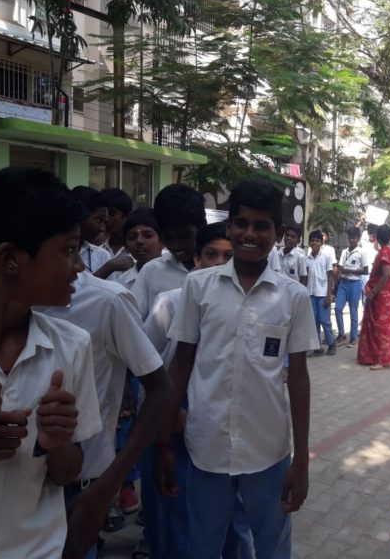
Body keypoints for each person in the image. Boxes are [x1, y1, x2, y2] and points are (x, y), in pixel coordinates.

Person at [155, 179, 317, 559]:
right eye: (241, 223)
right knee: (204, 544)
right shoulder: (199, 286)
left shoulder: (292, 296)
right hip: (206, 446)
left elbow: (299, 379)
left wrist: (302, 461)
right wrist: (163, 443)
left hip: (268, 450)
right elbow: (181, 364)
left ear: (278, 234)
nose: (250, 234)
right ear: (229, 227)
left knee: (273, 544)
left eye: (262, 226)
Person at [0, 167, 102, 558]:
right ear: (11, 260)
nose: (80, 267)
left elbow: (68, 473)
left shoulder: (72, 346)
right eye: (68, 250)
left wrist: (57, 443)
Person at [40, 265, 170, 559]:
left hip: (79, 489)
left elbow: (159, 384)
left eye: (75, 248)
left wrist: (105, 489)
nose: (77, 265)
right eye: (66, 251)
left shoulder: (104, 301)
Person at [140, 222, 247, 559]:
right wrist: (174, 412)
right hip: (173, 421)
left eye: (227, 256)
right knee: (174, 517)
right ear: (196, 261)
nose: (218, 263)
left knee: (231, 520)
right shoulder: (169, 304)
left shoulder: (249, 308)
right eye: (211, 254)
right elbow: (143, 366)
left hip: (226, 426)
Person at [132, 184, 206, 319]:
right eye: (168, 237)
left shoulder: (219, 268)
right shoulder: (151, 271)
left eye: (185, 236)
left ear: (202, 226)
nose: (176, 245)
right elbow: (134, 321)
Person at [357, 224, 390, 370]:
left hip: (381, 295)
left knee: (380, 326)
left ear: (377, 237)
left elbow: (386, 274)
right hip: (389, 293)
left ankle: (380, 359)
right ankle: (376, 356)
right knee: (385, 325)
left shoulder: (385, 253)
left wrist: (373, 292)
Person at [108, 208, 163, 291]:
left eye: (147, 236)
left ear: (162, 241)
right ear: (126, 246)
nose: (139, 241)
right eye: (132, 237)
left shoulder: (178, 274)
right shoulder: (122, 283)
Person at [306, 230, 337, 356]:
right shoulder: (306, 258)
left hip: (323, 294)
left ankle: (331, 343)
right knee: (314, 321)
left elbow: (330, 277)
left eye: (317, 241)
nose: (314, 243)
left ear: (321, 242)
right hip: (311, 294)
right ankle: (317, 347)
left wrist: (329, 295)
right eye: (312, 240)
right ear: (309, 242)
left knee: (325, 320)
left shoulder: (326, 257)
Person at [335, 228, 367, 348]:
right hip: (343, 283)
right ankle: (342, 334)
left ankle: (353, 337)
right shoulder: (344, 252)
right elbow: (340, 266)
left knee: (353, 311)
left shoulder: (361, 252)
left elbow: (365, 270)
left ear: (358, 239)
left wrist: (350, 270)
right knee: (338, 308)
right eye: (350, 238)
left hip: (354, 284)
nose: (352, 240)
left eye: (354, 238)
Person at [71, 186, 112, 274]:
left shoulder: (102, 256)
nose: (102, 228)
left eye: (105, 222)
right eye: (98, 220)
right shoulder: (54, 252)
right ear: (80, 214)